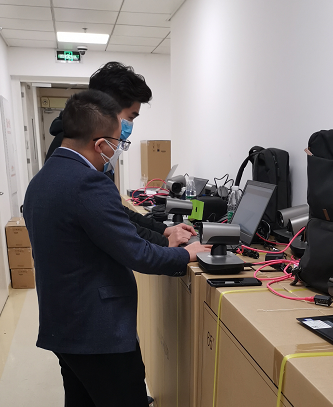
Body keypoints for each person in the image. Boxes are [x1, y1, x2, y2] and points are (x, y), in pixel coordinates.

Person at [23, 89, 211, 407]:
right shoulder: (88, 182)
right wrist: (185, 254)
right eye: (118, 143)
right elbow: (136, 252)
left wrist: (163, 235)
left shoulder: (42, 179)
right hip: (97, 332)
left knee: (81, 399)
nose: (118, 150)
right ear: (100, 144)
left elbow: (110, 229)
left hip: (63, 323)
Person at [45, 62, 191, 248]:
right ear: (106, 110)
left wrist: (162, 230)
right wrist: (165, 242)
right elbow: (111, 225)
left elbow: (112, 210)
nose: (129, 126)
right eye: (130, 117)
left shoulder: (88, 147)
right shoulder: (72, 150)